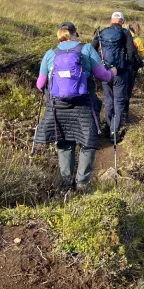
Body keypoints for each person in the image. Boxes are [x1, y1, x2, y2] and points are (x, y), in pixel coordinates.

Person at [35, 22, 115, 191]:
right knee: (88, 142)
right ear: (74, 34)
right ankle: (82, 183)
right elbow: (103, 76)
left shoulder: (50, 53)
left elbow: (40, 83)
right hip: (84, 104)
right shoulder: (86, 49)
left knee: (64, 142)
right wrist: (113, 72)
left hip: (58, 106)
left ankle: (66, 183)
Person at [92, 12, 136, 141]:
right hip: (121, 72)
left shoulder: (101, 32)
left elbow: (92, 48)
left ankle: (109, 124)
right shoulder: (125, 33)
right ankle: (114, 131)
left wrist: (99, 64)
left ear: (111, 20)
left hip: (105, 71)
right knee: (119, 100)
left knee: (108, 99)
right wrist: (130, 66)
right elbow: (131, 52)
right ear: (122, 21)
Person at [125, 22, 144, 118]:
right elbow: (141, 54)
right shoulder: (137, 40)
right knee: (129, 87)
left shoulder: (122, 36)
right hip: (132, 66)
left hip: (120, 65)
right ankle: (125, 111)